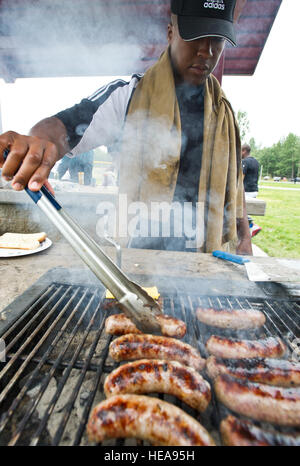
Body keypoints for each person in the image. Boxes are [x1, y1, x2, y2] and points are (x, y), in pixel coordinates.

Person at [0, 0, 252, 255]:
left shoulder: (223, 112)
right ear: (170, 33)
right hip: (140, 254)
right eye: (195, 36)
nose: (206, 51)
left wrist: (244, 237)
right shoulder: (129, 96)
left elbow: (235, 178)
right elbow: (63, 127)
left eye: (216, 39)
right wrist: (37, 142)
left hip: (205, 257)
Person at [241, 143, 261, 237]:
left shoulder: (245, 162)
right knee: (245, 211)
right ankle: (249, 229)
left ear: (244, 151)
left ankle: (252, 226)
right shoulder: (256, 161)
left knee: (241, 212)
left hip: (246, 190)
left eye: (240, 151)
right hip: (254, 189)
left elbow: (241, 177)